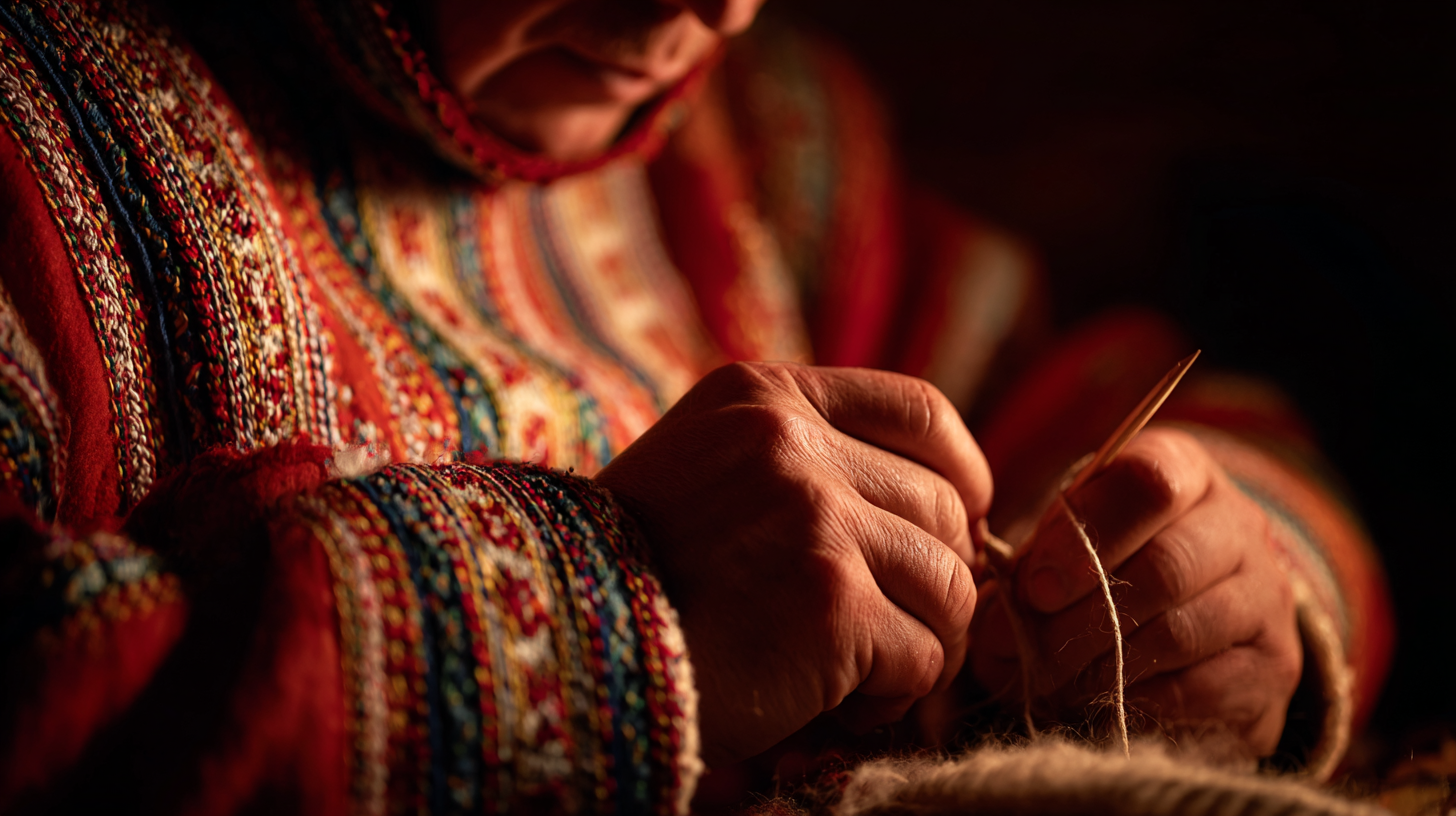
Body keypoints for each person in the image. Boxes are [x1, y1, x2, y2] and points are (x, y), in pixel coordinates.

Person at [0, 0, 1391, 812]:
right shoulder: (34, 137)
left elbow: (1083, 397)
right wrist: (610, 612)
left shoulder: (764, 144)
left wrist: (1236, 582)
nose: (701, 9)